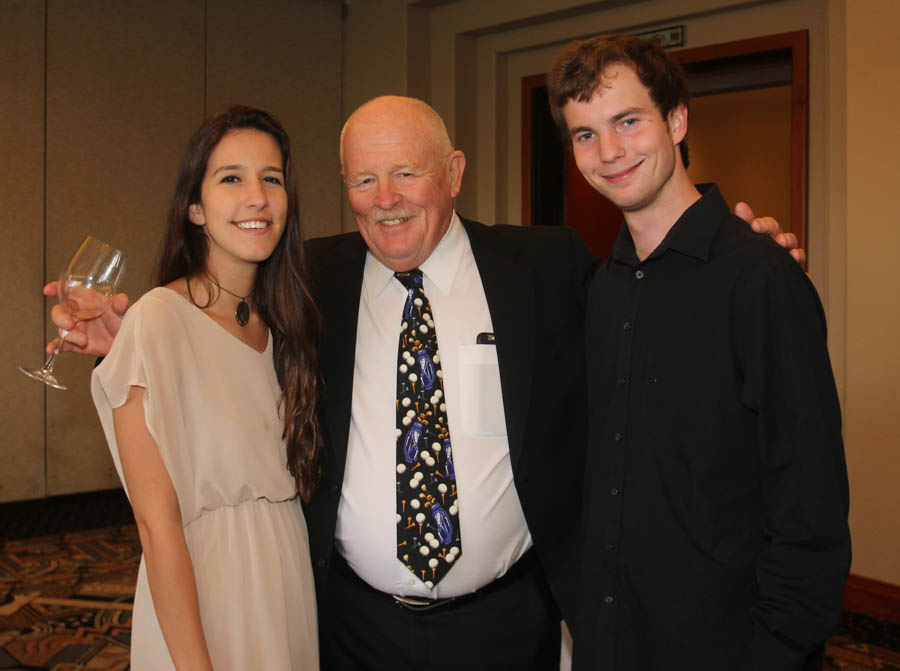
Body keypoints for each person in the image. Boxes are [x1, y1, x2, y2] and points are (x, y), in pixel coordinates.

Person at [45, 96, 801, 671]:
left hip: (507, 623)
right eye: (364, 178)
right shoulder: (310, 281)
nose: (386, 197)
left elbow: (648, 317)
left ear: (454, 173)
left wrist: (736, 262)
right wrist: (130, 341)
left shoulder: (548, 267)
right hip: (349, 626)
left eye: (407, 172)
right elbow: (217, 341)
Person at [547, 35, 850, 670]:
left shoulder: (760, 278)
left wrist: (780, 650)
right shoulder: (602, 289)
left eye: (628, 122)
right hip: (613, 637)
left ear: (677, 120)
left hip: (726, 646)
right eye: (585, 134)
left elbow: (809, 504)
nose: (609, 152)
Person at [90, 106, 321, 670]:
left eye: (271, 179)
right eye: (231, 178)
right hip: (206, 586)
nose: (257, 197)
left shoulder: (284, 324)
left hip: (286, 578)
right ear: (195, 207)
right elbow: (156, 525)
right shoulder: (157, 320)